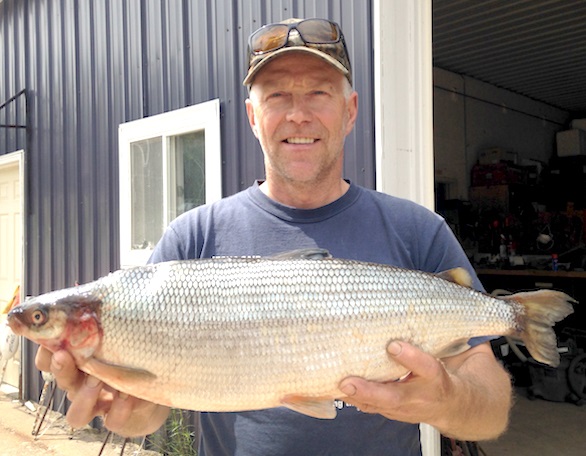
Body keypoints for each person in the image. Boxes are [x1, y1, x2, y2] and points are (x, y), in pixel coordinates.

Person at [36, 17, 512, 455]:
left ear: (350, 112)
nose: (298, 115)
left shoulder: (417, 231)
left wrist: (447, 401)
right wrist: (120, 401)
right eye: (277, 96)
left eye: (319, 93)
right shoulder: (192, 238)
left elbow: (489, 409)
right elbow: (151, 406)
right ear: (252, 117)